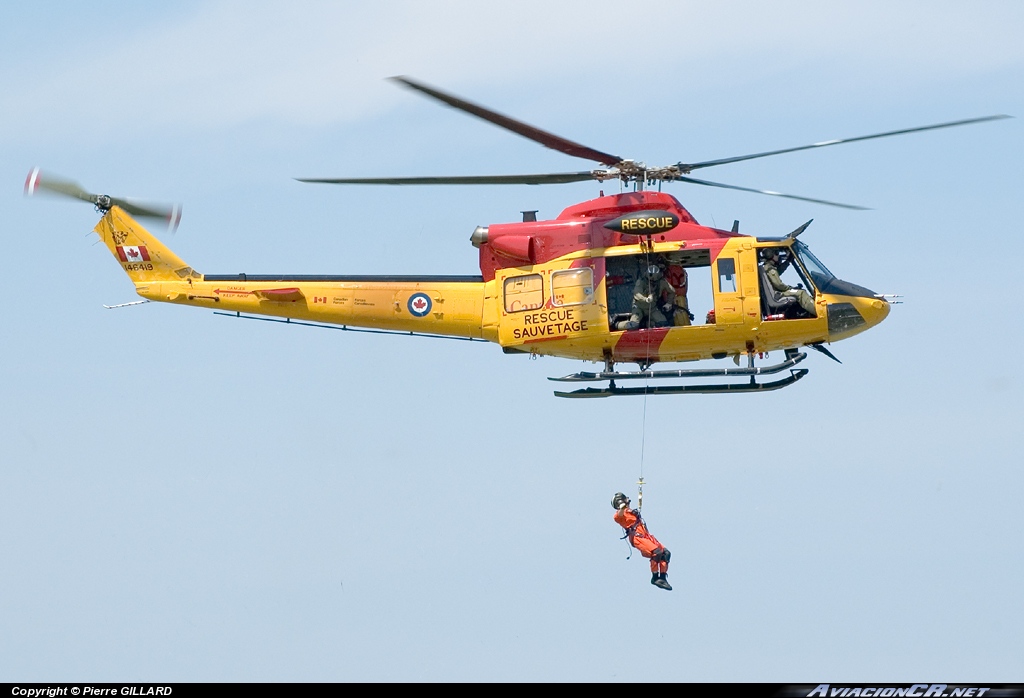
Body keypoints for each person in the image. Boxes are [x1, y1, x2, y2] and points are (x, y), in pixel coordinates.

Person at [612, 492, 672, 591]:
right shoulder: (618, 516)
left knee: (666, 553)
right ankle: (655, 577)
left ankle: (663, 577)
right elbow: (620, 513)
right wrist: (622, 506)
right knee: (656, 552)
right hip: (638, 538)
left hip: (647, 536)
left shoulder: (631, 512)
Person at [615, 263, 676, 330]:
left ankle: (648, 324)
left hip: (653, 308)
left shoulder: (662, 282)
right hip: (639, 307)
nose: (651, 283)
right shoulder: (641, 282)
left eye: (653, 281)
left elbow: (672, 291)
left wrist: (669, 303)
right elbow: (637, 294)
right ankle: (616, 324)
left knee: (664, 324)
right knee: (633, 325)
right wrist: (646, 299)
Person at [761, 248, 816, 317]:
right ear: (770, 255)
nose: (778, 256)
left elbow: (778, 272)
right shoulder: (770, 269)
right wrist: (790, 288)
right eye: (777, 253)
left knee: (798, 291)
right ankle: (818, 313)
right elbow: (779, 284)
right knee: (801, 293)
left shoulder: (767, 268)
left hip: (776, 293)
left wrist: (788, 261)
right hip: (777, 295)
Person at [663, 256, 693, 326]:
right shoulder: (683, 271)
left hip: (673, 301)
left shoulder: (668, 272)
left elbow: (666, 287)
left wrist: (665, 300)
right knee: (684, 319)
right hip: (682, 299)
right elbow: (685, 287)